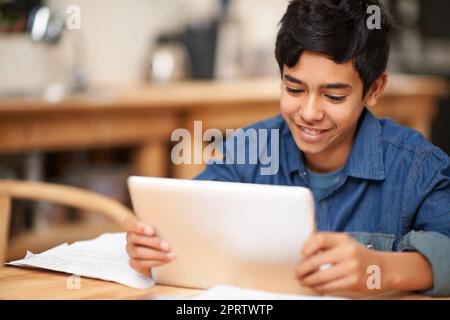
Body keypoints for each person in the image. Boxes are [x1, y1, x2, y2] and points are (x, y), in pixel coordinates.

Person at [124, 0, 450, 296]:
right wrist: (153, 250)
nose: (309, 113)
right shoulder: (247, 151)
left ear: (375, 89)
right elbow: (185, 227)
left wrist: (383, 270)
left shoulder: (415, 167)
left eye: (334, 96)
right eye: (294, 89)